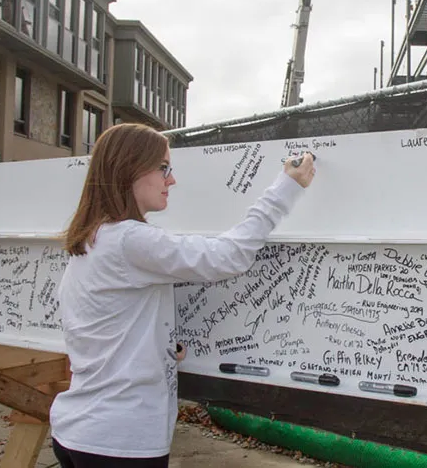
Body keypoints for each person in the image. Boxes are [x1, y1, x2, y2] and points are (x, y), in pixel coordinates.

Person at [49, 123, 315, 467]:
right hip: (119, 442)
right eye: (163, 168)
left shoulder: (94, 238)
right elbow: (227, 256)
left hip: (80, 431)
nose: (171, 180)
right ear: (129, 167)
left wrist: (155, 349)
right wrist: (286, 188)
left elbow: (98, 326)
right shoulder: (130, 240)